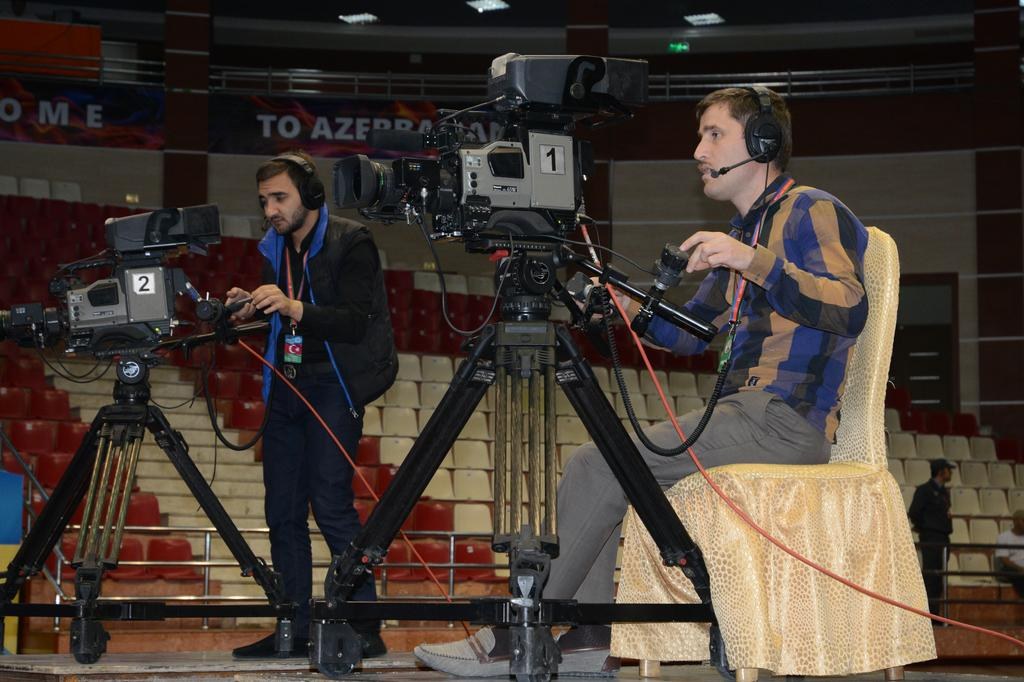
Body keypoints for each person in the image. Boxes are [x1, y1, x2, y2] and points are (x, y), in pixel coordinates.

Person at [415, 86, 870, 677]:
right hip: (748, 415)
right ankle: (588, 636)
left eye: (714, 135)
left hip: (784, 418)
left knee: (601, 463)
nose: (697, 150)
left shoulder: (810, 209)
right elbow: (690, 333)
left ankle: (513, 638)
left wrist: (750, 261)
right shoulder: (744, 231)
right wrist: (630, 312)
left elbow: (849, 305)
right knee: (598, 461)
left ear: (761, 143)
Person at [226, 150, 397, 658]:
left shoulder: (353, 242)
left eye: (280, 198)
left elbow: (353, 321)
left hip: (335, 385)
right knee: (282, 511)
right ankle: (293, 628)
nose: (271, 210)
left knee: (331, 505)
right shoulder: (272, 247)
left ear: (311, 195)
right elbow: (278, 316)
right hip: (287, 385)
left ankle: (365, 627)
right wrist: (248, 309)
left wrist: (295, 305)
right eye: (264, 201)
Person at [908, 458, 956, 617]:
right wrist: (926, 528)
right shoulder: (924, 490)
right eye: (948, 469)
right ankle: (928, 616)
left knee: (940, 577)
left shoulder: (944, 492)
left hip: (943, 538)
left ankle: (935, 615)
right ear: (941, 471)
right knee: (931, 577)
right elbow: (914, 512)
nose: (951, 473)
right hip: (931, 537)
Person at [994, 509, 1024, 597]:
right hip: (1010, 567)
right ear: (1015, 521)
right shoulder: (1003, 537)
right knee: (1019, 575)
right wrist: (1020, 568)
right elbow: (1005, 560)